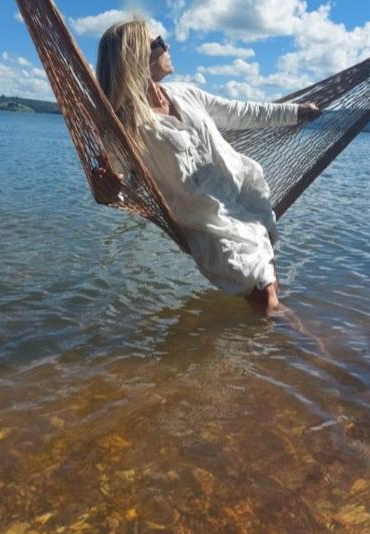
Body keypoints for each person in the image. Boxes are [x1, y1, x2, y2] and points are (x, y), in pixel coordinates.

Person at [93, 18, 319, 314]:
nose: (167, 46)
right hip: (208, 225)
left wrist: (296, 112)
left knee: (270, 286)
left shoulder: (185, 94)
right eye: (158, 42)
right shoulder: (125, 126)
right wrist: (106, 190)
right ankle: (302, 349)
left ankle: (292, 348)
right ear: (137, 56)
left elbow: (238, 112)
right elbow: (121, 187)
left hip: (244, 197)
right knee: (264, 299)